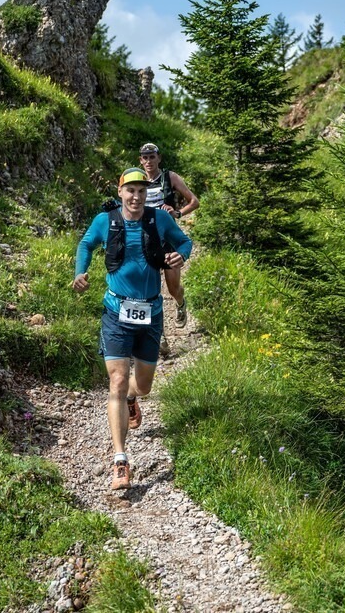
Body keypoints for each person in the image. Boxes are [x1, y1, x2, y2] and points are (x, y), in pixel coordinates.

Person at [72, 167, 192, 490]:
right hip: (116, 310)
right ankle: (120, 460)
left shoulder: (159, 220)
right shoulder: (106, 221)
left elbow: (185, 242)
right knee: (117, 380)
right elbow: (85, 245)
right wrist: (80, 272)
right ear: (121, 192)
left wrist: (180, 256)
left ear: (146, 194)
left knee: (143, 386)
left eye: (141, 191)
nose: (136, 197)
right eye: (130, 191)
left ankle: (130, 400)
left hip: (151, 312)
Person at [138, 143, 199, 330]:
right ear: (140, 160)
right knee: (148, 290)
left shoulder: (169, 177)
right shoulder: (137, 180)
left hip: (168, 239)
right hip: (146, 239)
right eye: (145, 157)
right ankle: (159, 333)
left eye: (152, 157)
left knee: (173, 288)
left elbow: (194, 202)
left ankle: (180, 303)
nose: (149, 161)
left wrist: (178, 213)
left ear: (159, 158)